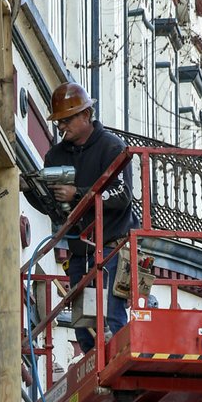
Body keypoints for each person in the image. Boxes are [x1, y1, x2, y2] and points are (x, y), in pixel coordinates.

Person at [24, 82, 137, 352]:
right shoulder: (56, 155)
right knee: (84, 326)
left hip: (112, 248)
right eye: (59, 121)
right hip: (80, 253)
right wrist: (32, 190)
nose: (61, 126)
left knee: (110, 318)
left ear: (86, 115)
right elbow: (52, 207)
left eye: (66, 120)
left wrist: (77, 194)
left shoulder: (112, 147)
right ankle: (95, 372)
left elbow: (122, 195)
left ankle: (114, 368)